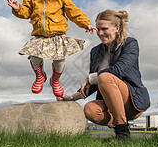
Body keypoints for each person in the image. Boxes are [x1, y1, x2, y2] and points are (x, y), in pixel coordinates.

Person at [7, 0, 96, 98]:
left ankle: (55, 80)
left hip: (57, 35)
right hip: (39, 36)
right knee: (35, 57)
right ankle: (40, 76)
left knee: (59, 61)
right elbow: (26, 12)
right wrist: (17, 8)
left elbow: (73, 11)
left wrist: (86, 23)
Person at [58, 9, 150, 140]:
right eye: (98, 29)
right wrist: (72, 97)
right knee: (89, 109)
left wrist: (92, 77)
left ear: (117, 28)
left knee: (105, 77)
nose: (100, 33)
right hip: (109, 101)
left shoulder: (129, 44)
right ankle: (120, 124)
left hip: (131, 100)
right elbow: (94, 83)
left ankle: (123, 134)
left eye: (104, 29)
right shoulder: (95, 52)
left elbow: (120, 69)